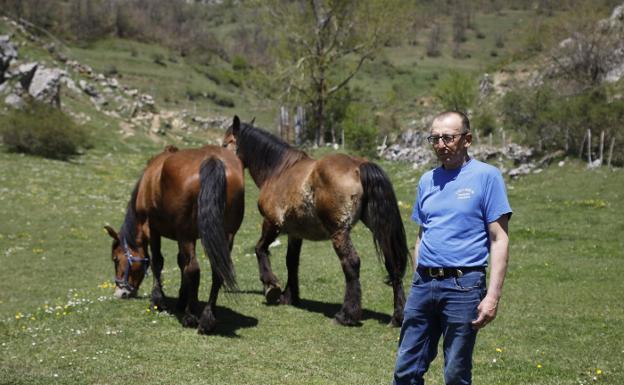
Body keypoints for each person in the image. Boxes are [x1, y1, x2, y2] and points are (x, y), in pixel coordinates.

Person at [393, 111, 512, 385]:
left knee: (456, 374)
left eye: (448, 137)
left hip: (464, 287)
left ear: (467, 139)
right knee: (406, 370)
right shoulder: (427, 180)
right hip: (424, 284)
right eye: (434, 138)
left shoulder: (487, 177)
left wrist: (492, 296)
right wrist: (416, 278)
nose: (440, 144)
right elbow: (422, 234)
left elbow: (499, 239)